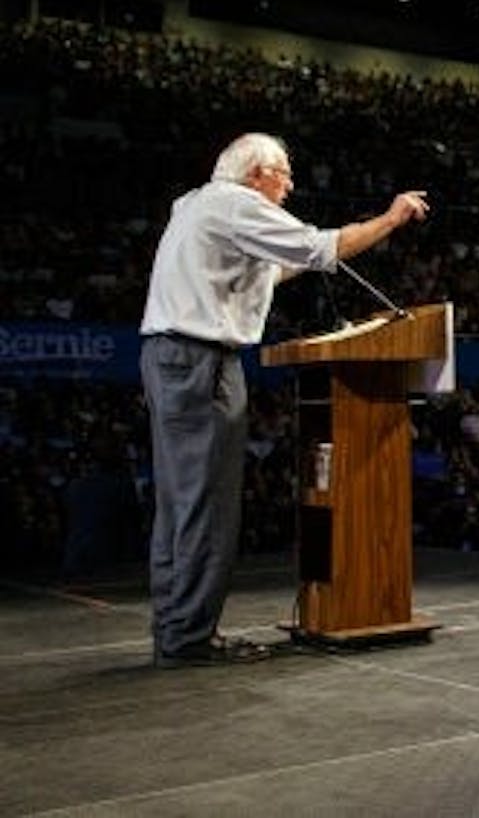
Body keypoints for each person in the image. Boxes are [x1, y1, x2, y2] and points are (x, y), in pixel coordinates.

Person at [140, 133, 428, 668]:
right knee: (206, 505)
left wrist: (314, 256)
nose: (291, 184)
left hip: (173, 358)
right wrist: (389, 220)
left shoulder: (198, 204)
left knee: (181, 504)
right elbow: (320, 248)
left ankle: (176, 629)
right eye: (284, 173)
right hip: (200, 363)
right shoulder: (237, 204)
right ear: (256, 175)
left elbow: (277, 267)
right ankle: (187, 639)